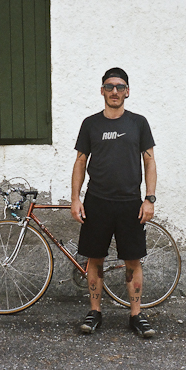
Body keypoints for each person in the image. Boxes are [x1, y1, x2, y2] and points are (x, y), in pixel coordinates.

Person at [71, 67, 157, 338]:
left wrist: (149, 199)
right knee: (94, 259)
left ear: (127, 91)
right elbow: (80, 161)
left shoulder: (138, 123)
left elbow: (149, 161)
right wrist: (75, 199)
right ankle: (95, 312)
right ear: (102, 91)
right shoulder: (90, 124)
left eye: (120, 87)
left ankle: (136, 315)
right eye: (109, 87)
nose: (115, 91)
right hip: (97, 202)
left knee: (133, 260)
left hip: (130, 203)